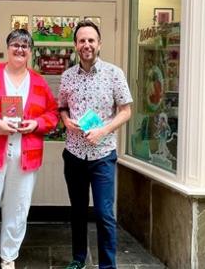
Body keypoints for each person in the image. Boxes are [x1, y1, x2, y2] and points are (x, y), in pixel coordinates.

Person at [0, 28, 59, 269]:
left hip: (24, 156)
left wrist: (36, 123)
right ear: (8, 48)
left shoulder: (38, 82)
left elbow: (53, 114)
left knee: (18, 208)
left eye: (25, 46)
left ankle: (9, 257)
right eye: (15, 44)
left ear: (31, 52)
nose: (20, 49)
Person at [59, 19, 132, 269]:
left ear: (99, 44)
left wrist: (103, 131)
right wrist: (66, 121)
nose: (86, 45)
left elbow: (125, 111)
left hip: (102, 155)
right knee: (78, 211)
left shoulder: (114, 73)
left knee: (104, 213)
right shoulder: (67, 76)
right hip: (74, 155)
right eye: (82, 40)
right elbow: (62, 107)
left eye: (91, 40)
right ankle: (78, 258)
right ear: (75, 45)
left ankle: (107, 266)